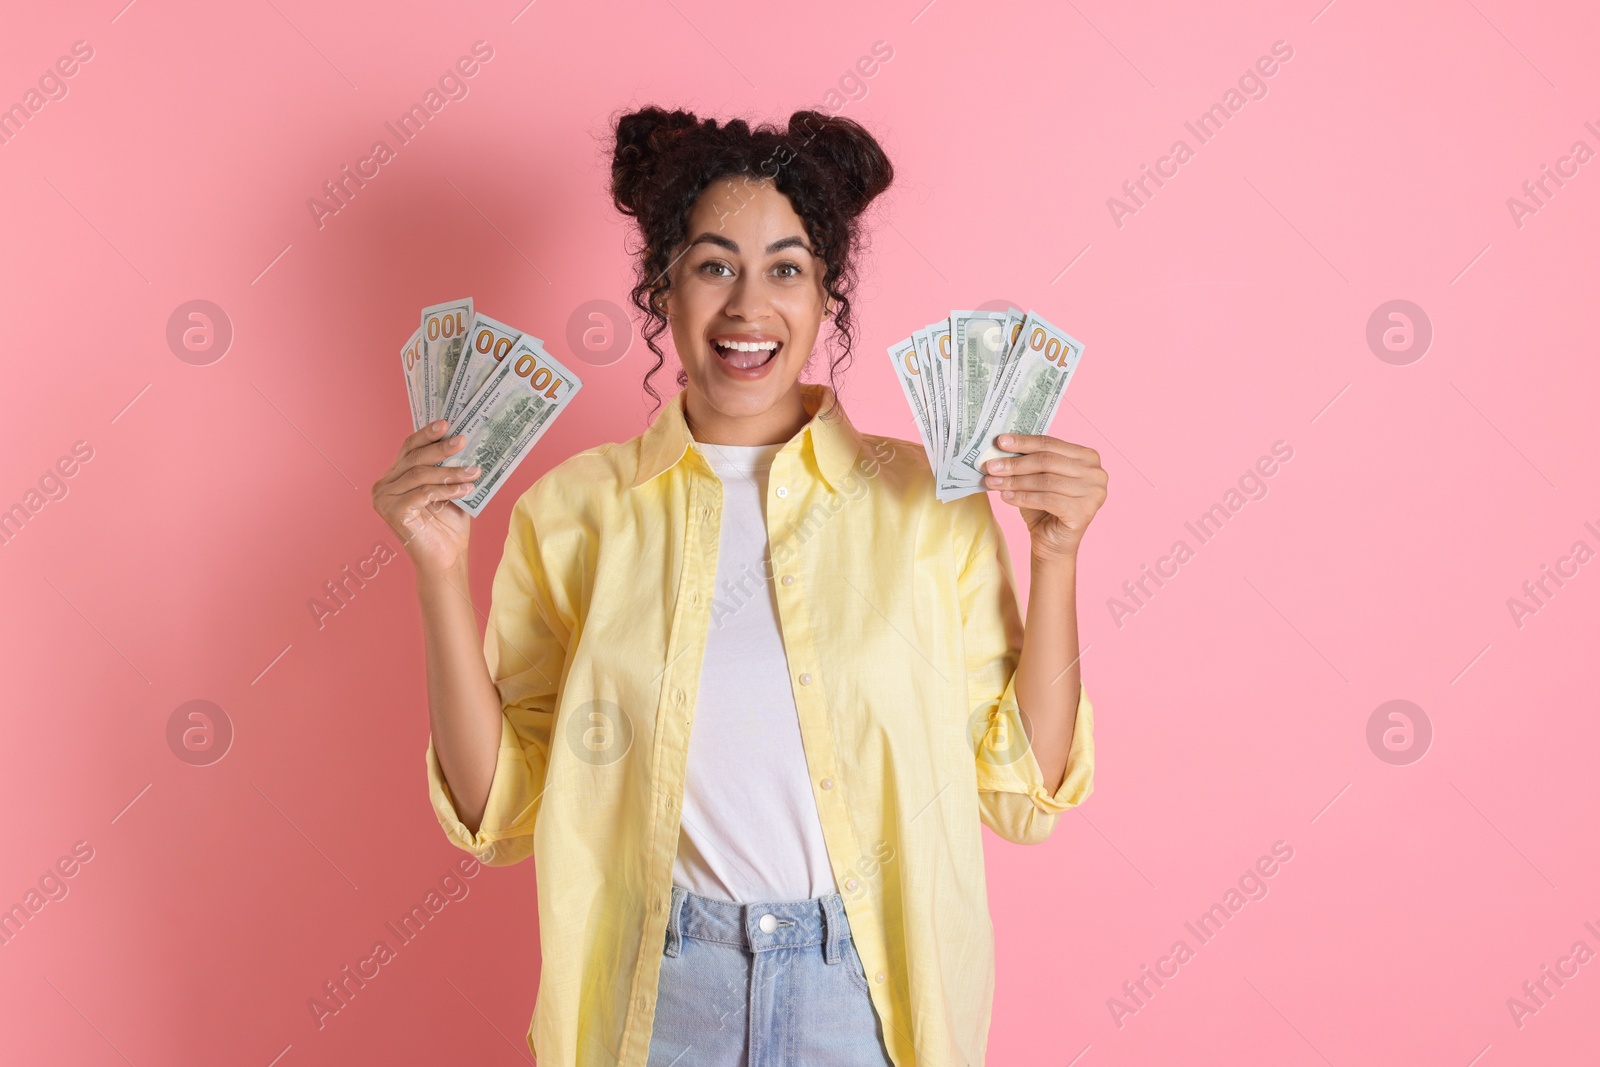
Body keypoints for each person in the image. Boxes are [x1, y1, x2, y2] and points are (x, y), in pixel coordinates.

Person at [371, 106, 1107, 1067]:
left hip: (867, 995)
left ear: (825, 295)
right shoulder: (574, 513)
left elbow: (1025, 791)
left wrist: (1056, 557)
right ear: (663, 290)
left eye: (787, 268)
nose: (749, 306)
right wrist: (436, 570)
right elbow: (497, 810)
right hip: (659, 995)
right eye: (715, 264)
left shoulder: (928, 507)